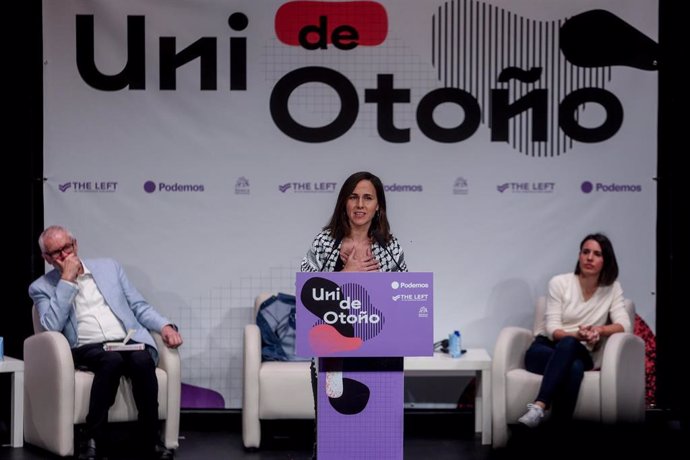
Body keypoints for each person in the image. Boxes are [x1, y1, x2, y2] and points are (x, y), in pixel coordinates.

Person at [28, 225, 183, 460]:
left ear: (75, 245)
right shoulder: (41, 287)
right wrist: (67, 282)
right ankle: (92, 439)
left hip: (126, 340)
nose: (65, 256)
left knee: (142, 360)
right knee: (110, 360)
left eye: (67, 248)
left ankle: (150, 439)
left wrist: (165, 326)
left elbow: (138, 306)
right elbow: (51, 327)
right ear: (47, 258)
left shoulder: (109, 268)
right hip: (86, 347)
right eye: (57, 253)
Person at [300, 171, 408, 458]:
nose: (360, 204)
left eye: (367, 198)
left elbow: (404, 299)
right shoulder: (325, 243)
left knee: (375, 434)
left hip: (380, 355)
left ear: (378, 207)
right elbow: (304, 291)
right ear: (344, 203)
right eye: (353, 197)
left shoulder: (390, 247)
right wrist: (344, 276)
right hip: (332, 357)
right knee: (332, 434)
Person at [517, 232, 632, 428]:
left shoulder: (612, 288)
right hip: (545, 349)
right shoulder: (559, 283)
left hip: (581, 350)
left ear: (606, 260)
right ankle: (560, 432)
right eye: (585, 252)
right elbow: (552, 328)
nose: (589, 258)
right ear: (579, 255)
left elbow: (625, 325)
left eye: (597, 254)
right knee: (574, 367)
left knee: (571, 348)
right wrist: (576, 335)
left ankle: (538, 406)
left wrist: (599, 329)